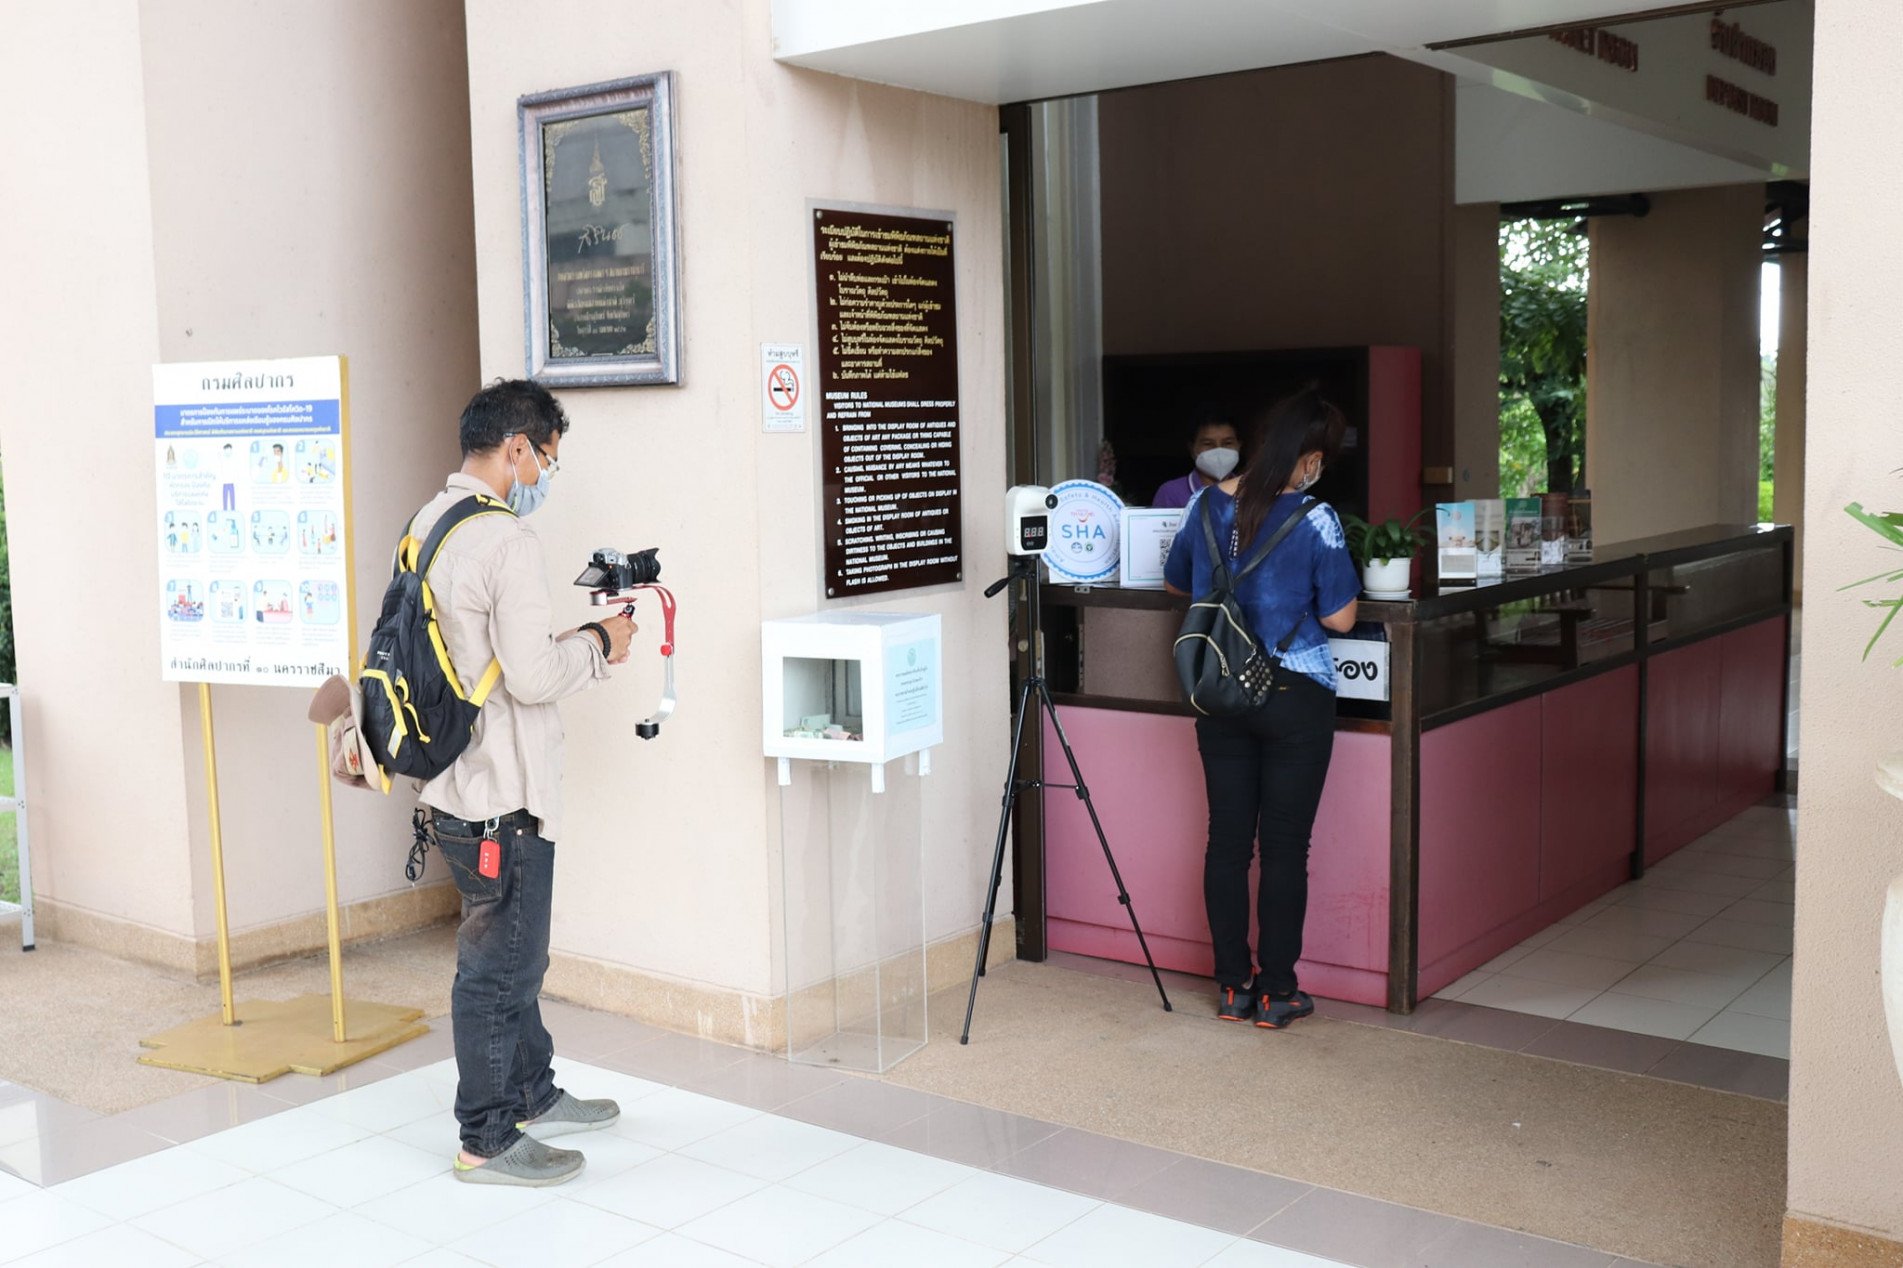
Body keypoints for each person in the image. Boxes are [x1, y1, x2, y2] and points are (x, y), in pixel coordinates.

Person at [413, 379, 636, 1186]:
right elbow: (534, 679)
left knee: (511, 956)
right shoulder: (505, 540)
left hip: (450, 785)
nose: (544, 471)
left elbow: (482, 652)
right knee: (500, 968)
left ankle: (532, 1092)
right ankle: (487, 1135)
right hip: (501, 794)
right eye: (545, 456)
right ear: (516, 448)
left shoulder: (430, 524)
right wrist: (602, 644)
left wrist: (570, 636)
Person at [1163, 388, 1360, 1030]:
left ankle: (1230, 987)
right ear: (1307, 458)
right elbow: (1339, 616)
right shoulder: (1315, 519)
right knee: (1283, 851)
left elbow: (1176, 583)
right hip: (1294, 694)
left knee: (1226, 843)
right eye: (1320, 459)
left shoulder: (1203, 504)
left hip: (1219, 691)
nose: (1319, 470)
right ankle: (1276, 993)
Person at [1151, 418, 1241, 509]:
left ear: (1239, 445)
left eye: (1228, 443)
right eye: (1208, 444)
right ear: (1192, 449)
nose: (1218, 450)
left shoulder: (1249, 491)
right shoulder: (1171, 493)